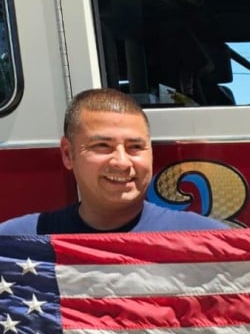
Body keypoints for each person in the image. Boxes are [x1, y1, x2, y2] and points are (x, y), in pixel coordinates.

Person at [0, 88, 229, 235]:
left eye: (135, 147)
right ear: (68, 154)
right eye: (102, 146)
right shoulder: (18, 243)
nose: (121, 162)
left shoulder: (206, 240)